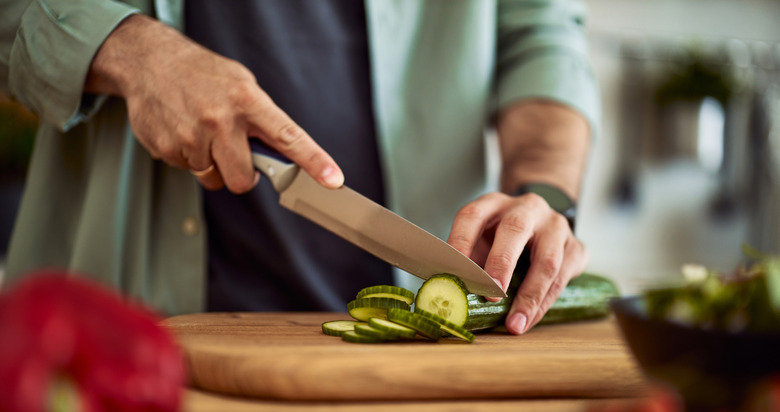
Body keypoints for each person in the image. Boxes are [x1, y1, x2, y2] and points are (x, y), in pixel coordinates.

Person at [0, 0, 598, 335]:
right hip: (115, 319)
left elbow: (541, 40)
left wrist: (544, 190)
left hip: (419, 362)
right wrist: (128, 50)